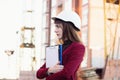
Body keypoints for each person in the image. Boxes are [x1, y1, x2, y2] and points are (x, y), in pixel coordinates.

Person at [36, 10, 85, 80]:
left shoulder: (78, 47)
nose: (55, 30)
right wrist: (49, 70)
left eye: (58, 27)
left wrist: (48, 76)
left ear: (68, 27)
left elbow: (67, 74)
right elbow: (38, 73)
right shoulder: (56, 48)